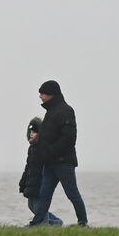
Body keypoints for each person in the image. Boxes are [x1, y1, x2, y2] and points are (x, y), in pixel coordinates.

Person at [27, 79, 89, 227]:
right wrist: (39, 140)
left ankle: (83, 222)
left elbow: (69, 138)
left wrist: (51, 152)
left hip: (63, 162)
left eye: (42, 93)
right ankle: (37, 223)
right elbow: (48, 135)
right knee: (44, 194)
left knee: (72, 193)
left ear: (51, 94)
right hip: (50, 162)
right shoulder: (50, 112)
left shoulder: (66, 111)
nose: (40, 96)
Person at [21, 118, 63, 225]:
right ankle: (55, 222)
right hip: (32, 182)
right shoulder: (32, 148)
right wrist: (23, 182)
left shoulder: (43, 147)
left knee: (39, 206)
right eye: (30, 131)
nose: (31, 134)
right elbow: (28, 167)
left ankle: (44, 224)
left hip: (40, 182)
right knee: (31, 205)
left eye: (34, 131)